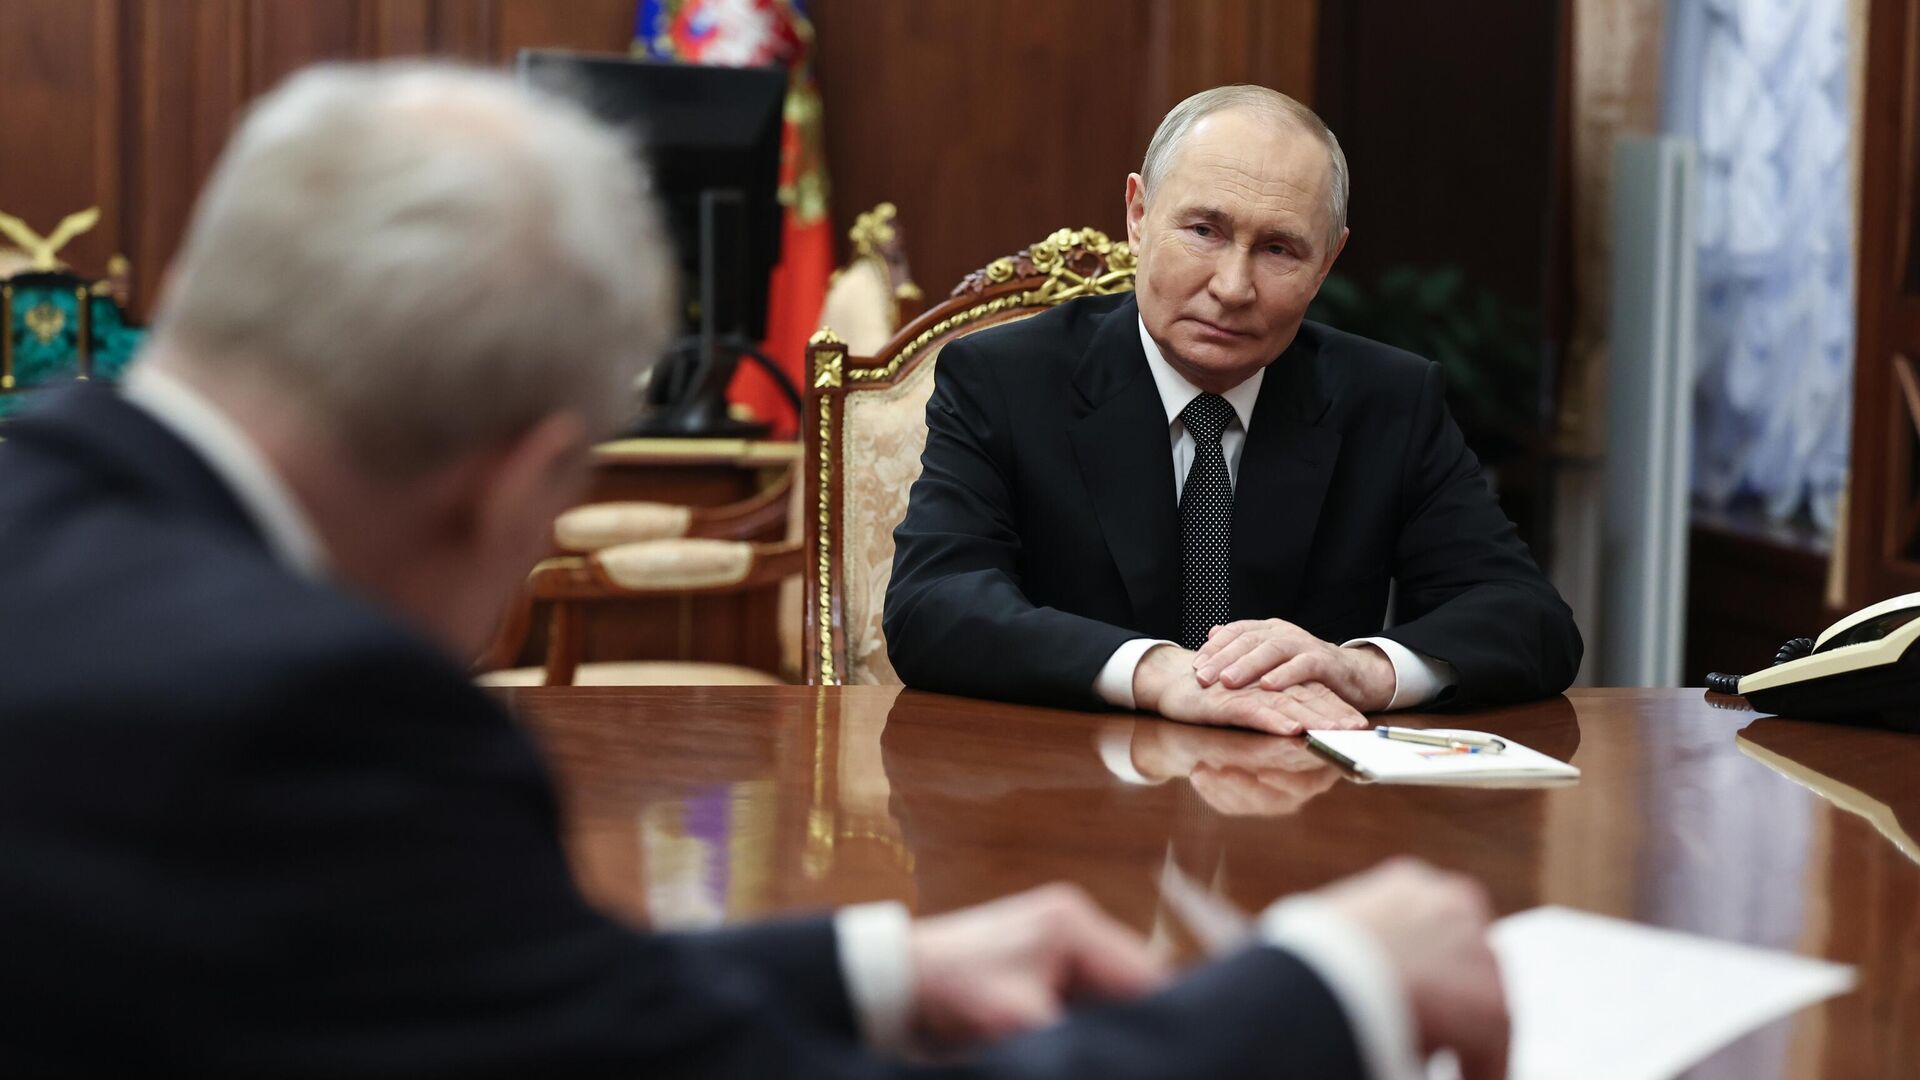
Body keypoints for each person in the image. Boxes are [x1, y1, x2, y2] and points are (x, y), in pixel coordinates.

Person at [0, 64, 1506, 1078]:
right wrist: (1331, 985)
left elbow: (531, 1001)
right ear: (520, 482)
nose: (1235, 280)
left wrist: (869, 971)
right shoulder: (317, 714)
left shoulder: (44, 509)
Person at [885, 85, 1582, 736]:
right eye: (1204, 230)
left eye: (1279, 249)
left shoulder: (1388, 400)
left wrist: (1359, 669)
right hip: (1070, 784)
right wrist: (1155, 672)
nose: (1233, 286)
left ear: (1327, 262)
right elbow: (933, 604)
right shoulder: (1005, 380)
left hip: (1300, 790)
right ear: (1138, 215)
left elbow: (1530, 619)